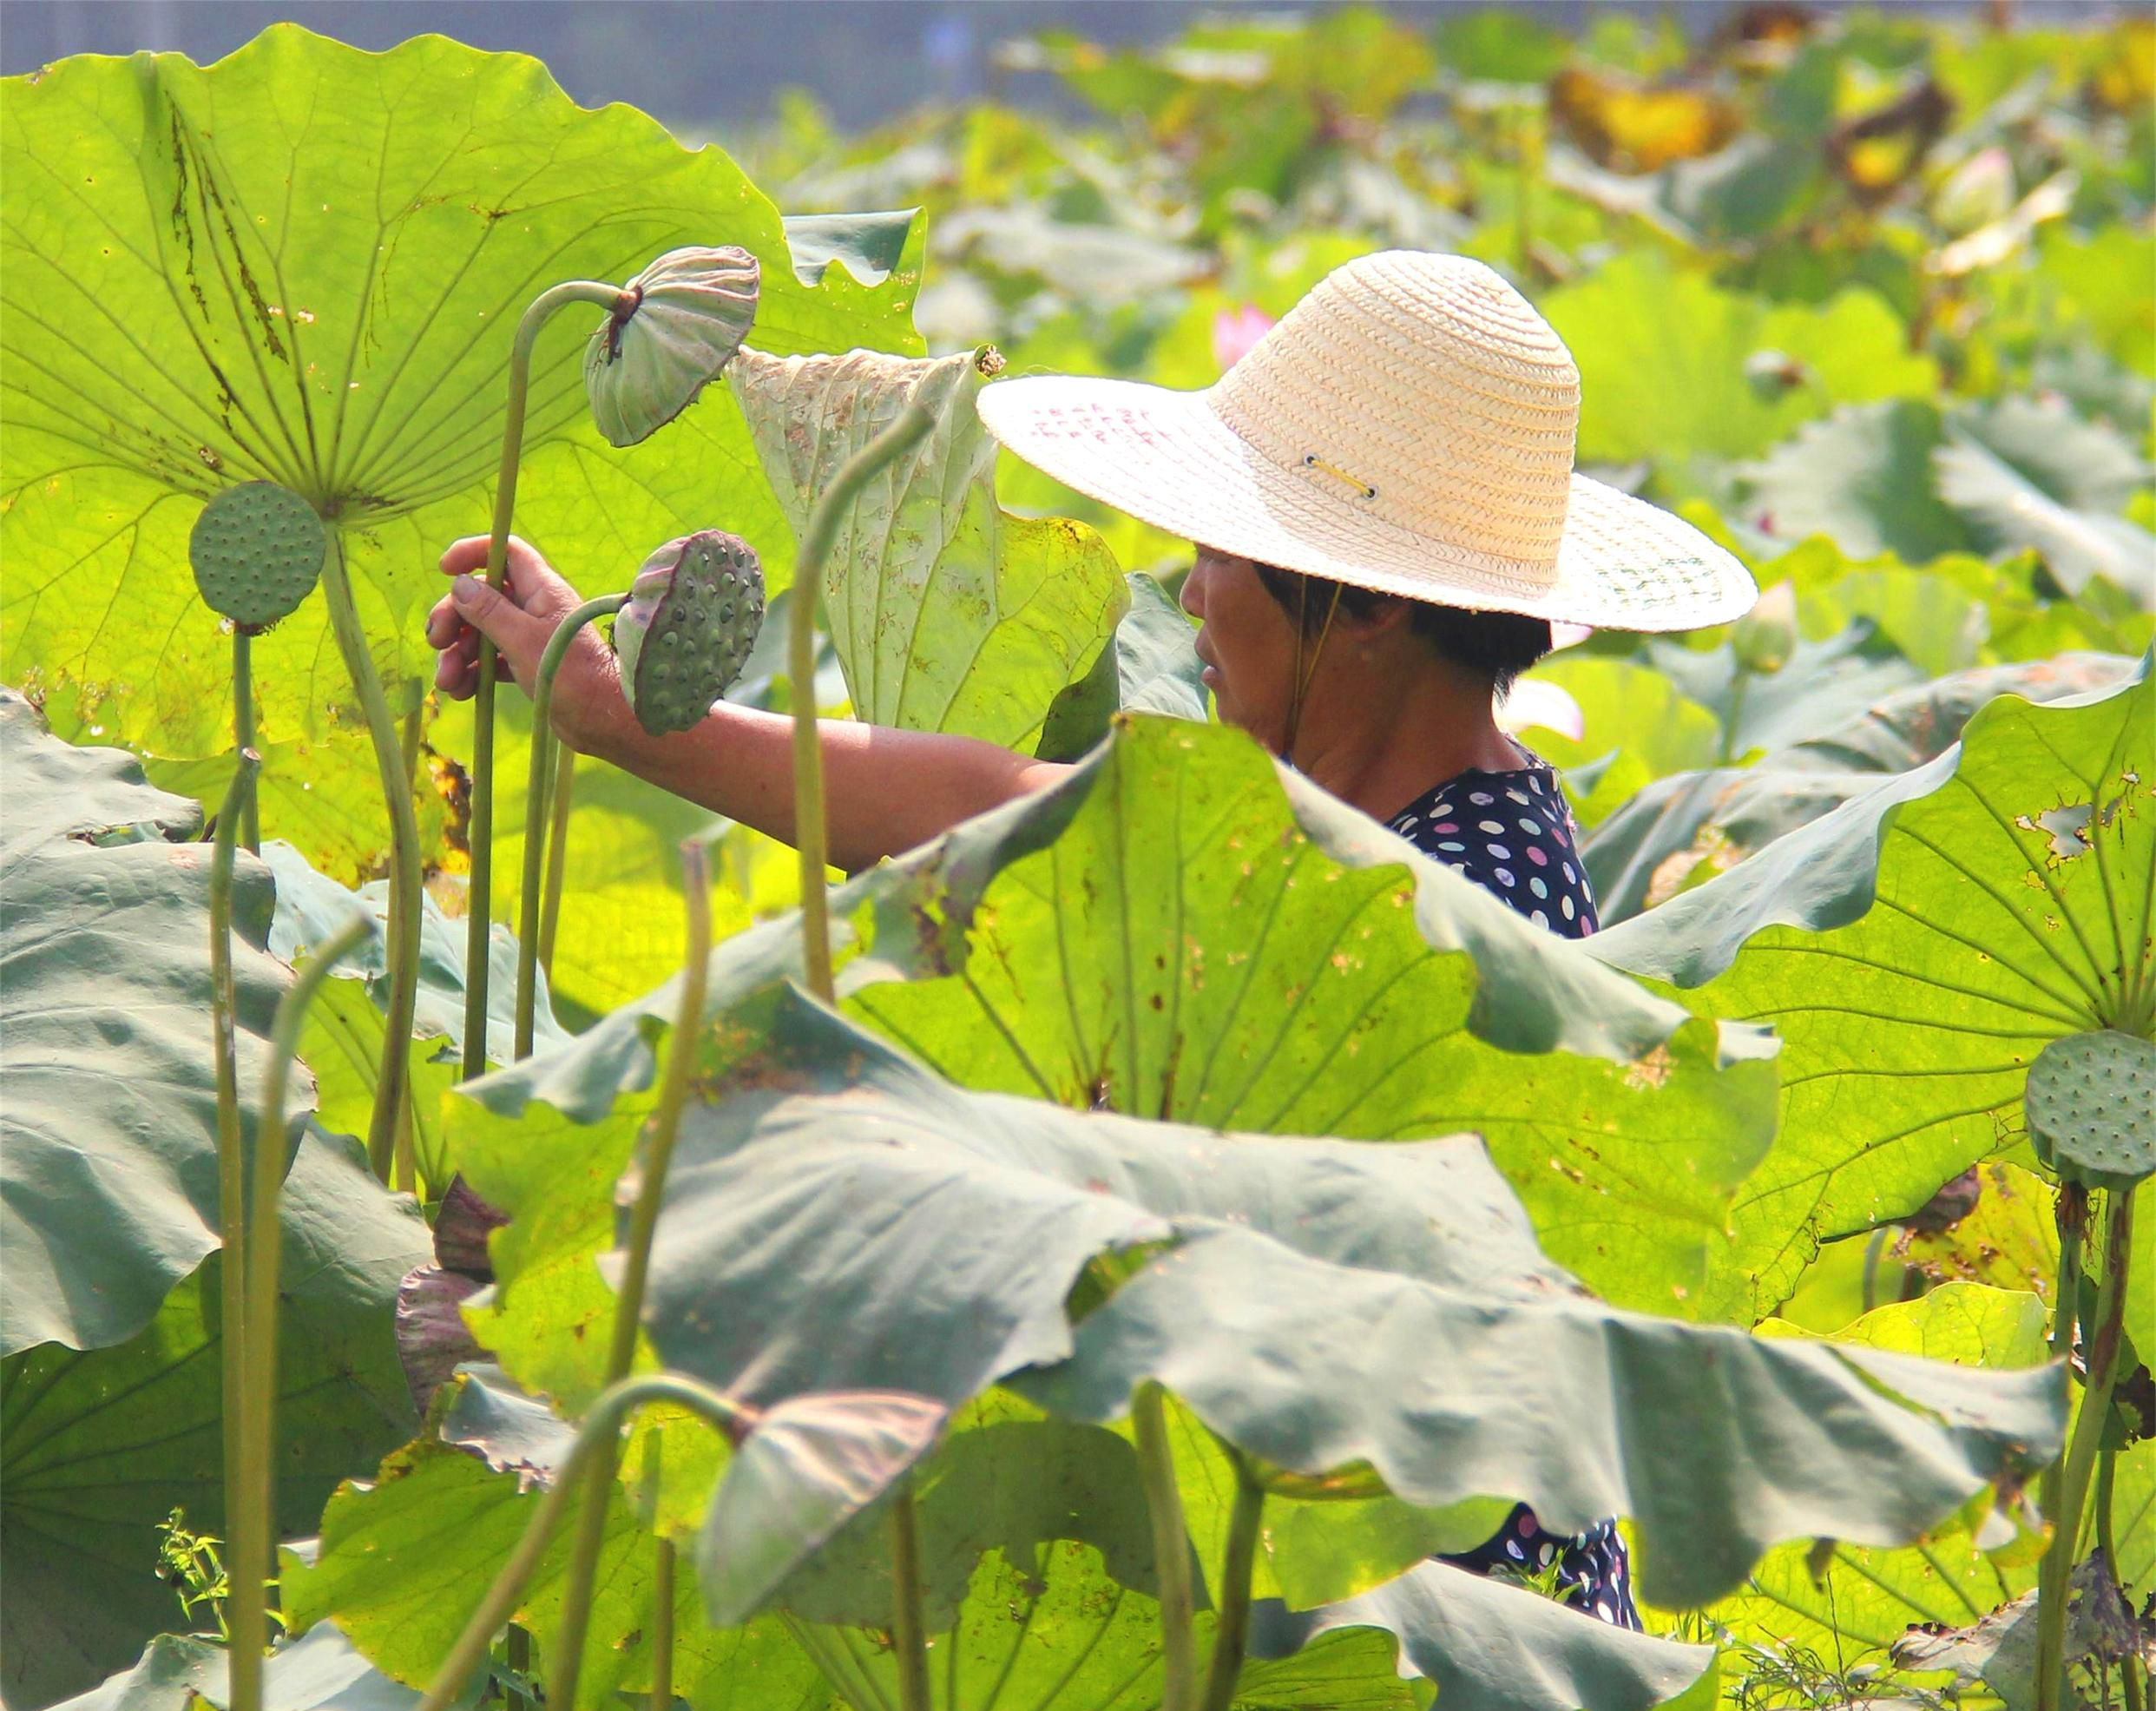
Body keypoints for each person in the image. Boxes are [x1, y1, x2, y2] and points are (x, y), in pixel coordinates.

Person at [426, 249, 1755, 1627]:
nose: (1188, 598)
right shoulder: (1359, 825)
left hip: (1429, 1628)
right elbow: (1000, 803)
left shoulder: (1464, 903)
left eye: (1221, 555)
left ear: (1360, 606)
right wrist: (619, 705)